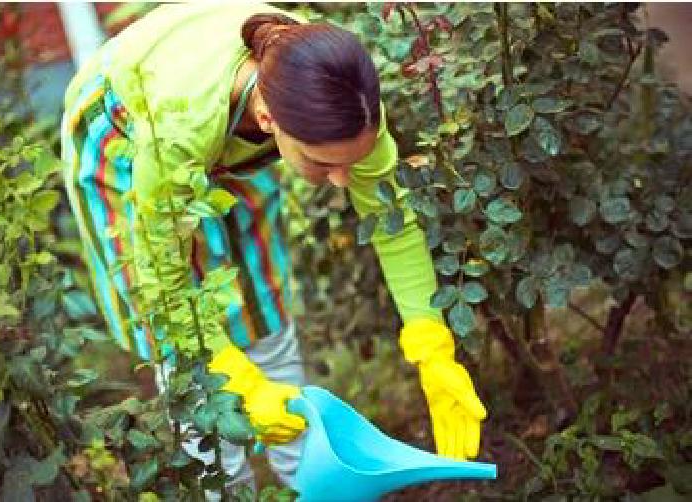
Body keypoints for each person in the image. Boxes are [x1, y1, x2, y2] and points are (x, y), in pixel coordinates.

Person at [60, 1, 487, 496]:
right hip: (127, 127)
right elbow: (162, 284)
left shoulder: (345, 102)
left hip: (219, 117)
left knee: (256, 291)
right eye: (322, 164)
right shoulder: (181, 129)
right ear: (267, 118)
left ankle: (307, 477)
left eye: (350, 162)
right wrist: (236, 378)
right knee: (184, 345)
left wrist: (432, 346)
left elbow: (393, 226)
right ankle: (221, 481)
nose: (342, 181)